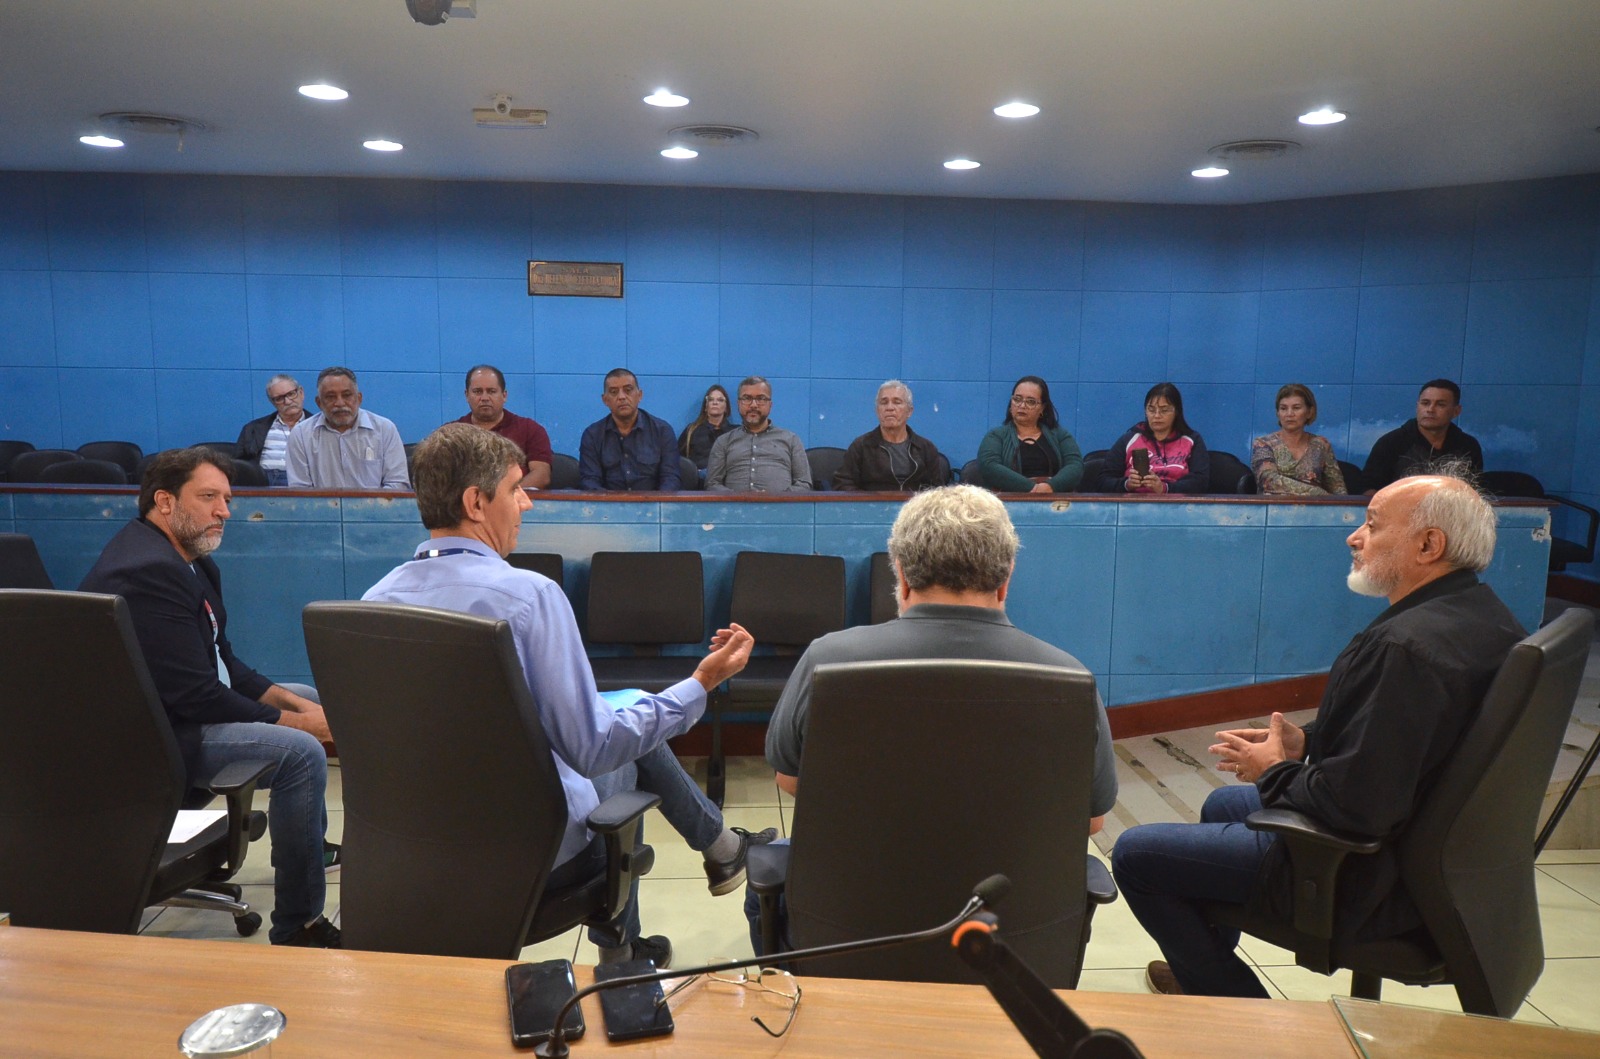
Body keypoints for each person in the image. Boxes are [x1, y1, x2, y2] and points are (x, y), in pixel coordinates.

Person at [363, 423, 773, 967]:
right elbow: (593, 750)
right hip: (532, 851)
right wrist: (700, 685)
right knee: (630, 740)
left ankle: (717, 856)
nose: (527, 503)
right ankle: (625, 949)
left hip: (417, 855)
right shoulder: (528, 597)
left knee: (627, 706)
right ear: (475, 502)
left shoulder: (375, 601)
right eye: (515, 489)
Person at [1111, 471, 1524, 998]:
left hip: (1368, 877)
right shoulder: (1482, 617)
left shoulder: (1406, 649)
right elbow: (1402, 738)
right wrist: (1307, 744)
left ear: (1428, 544)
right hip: (1431, 860)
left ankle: (1239, 1015)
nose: (1354, 537)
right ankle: (1203, 969)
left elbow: (1355, 805)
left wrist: (1276, 771)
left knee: (1135, 854)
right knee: (1222, 806)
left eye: (1372, 526)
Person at [750, 484, 1118, 950]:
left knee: (767, 879)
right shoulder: (1071, 679)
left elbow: (789, 778)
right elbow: (1090, 822)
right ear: (1006, 579)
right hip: (1010, 948)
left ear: (901, 576)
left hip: (847, 939)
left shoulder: (828, 659)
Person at [78, 447, 340, 948]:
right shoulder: (145, 571)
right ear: (164, 501)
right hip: (149, 738)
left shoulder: (191, 560)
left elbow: (225, 663)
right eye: (209, 497)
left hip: (180, 710)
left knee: (306, 696)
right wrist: (305, 726)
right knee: (301, 752)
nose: (224, 509)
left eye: (227, 497)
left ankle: (308, 843)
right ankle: (299, 925)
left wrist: (302, 707)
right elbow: (198, 697)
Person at [285, 367, 410, 490]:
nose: (339, 403)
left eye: (346, 395)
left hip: (375, 509)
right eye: (330, 397)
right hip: (320, 510)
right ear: (319, 403)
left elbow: (397, 484)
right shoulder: (301, 435)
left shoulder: (384, 429)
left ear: (359, 398)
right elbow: (300, 492)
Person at [1361, 379, 1483, 495]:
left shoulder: (1468, 446)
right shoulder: (1390, 443)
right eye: (1425, 403)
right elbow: (1368, 489)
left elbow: (1474, 491)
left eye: (1440, 404)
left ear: (1456, 411)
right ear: (1417, 406)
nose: (1430, 409)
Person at [976, 376, 1084, 493]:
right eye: (1017, 399)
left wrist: (1051, 486)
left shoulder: (1060, 435)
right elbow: (989, 466)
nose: (1022, 405)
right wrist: (1032, 488)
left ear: (1042, 408)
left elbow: (1075, 465)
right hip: (1008, 503)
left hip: (1054, 501)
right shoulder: (996, 436)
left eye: (1031, 402)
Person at [578, 369, 681, 491]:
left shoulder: (662, 431)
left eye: (628, 390)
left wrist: (655, 506)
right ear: (605, 400)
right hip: (608, 507)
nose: (621, 397)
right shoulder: (592, 435)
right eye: (614, 392)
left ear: (639, 395)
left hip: (652, 505)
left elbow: (671, 478)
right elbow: (590, 481)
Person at [1097, 382, 1210, 494]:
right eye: (1151, 410)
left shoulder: (1192, 440)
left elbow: (1201, 482)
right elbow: (1103, 480)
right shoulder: (1129, 439)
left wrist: (1165, 488)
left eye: (1164, 410)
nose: (1156, 415)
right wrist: (1126, 484)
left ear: (1176, 412)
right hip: (1133, 505)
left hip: (1178, 506)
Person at [833, 379, 946, 491]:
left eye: (897, 402)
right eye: (884, 402)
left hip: (914, 507)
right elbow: (843, 484)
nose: (889, 408)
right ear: (877, 410)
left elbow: (936, 491)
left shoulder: (925, 448)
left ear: (909, 411)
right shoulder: (861, 446)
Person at [706, 376, 812, 493]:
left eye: (761, 399)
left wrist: (779, 499)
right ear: (738, 403)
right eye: (747, 398)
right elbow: (712, 484)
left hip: (781, 508)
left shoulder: (791, 440)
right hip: (734, 509)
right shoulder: (723, 441)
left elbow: (804, 484)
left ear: (770, 405)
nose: (753, 405)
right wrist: (736, 499)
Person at [456, 364, 552, 489]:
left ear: (504, 395)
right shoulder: (452, 434)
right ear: (467, 395)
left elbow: (542, 475)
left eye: (491, 391)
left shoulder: (530, 430)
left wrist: (504, 496)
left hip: (515, 504)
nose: (484, 398)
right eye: (477, 391)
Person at [1250, 383, 1347, 496]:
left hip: (1315, 511)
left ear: (1309, 412)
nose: (1289, 414)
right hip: (1274, 510)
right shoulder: (1263, 444)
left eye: (1296, 408)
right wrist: (1317, 492)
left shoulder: (1321, 444)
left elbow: (1338, 490)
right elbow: (1268, 480)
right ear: (1278, 413)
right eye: (1283, 408)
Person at [236, 374, 307, 486]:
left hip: (304, 486)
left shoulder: (318, 428)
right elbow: (239, 466)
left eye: (291, 394)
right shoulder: (253, 429)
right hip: (262, 485)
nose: (288, 401)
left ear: (301, 393)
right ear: (272, 402)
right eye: (279, 398)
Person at [678, 384, 736, 481]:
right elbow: (678, 460)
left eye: (720, 400)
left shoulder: (735, 432)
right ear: (706, 406)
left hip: (727, 481)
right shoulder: (691, 430)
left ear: (726, 408)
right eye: (711, 399)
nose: (715, 403)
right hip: (698, 483)